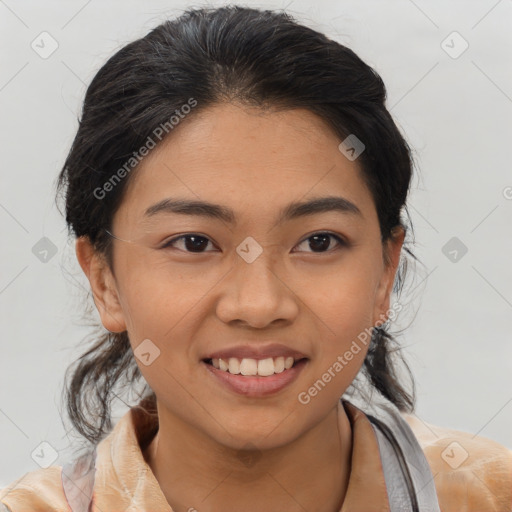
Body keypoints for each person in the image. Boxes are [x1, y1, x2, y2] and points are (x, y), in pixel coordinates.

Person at [1, 5, 511, 511]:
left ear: (385, 274)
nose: (259, 304)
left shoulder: (489, 494)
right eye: (194, 243)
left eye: (318, 242)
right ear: (104, 280)